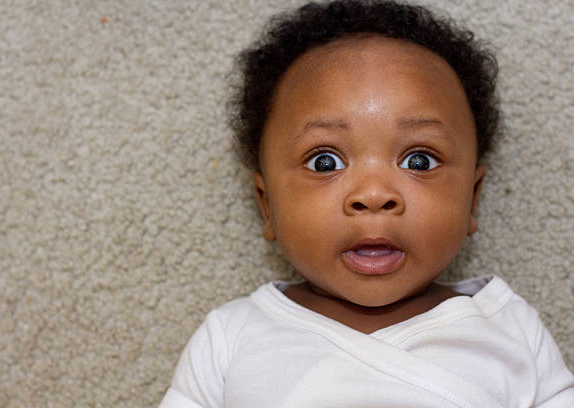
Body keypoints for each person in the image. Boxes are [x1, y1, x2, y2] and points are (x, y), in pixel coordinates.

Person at [160, 1, 574, 406]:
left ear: (472, 200)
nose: (374, 194)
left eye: (419, 160)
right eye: (325, 161)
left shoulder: (508, 328)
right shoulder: (231, 338)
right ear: (266, 205)